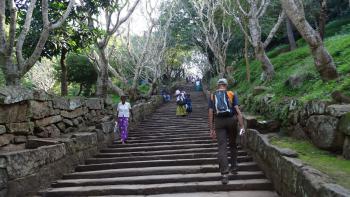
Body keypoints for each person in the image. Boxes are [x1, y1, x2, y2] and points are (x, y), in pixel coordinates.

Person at [208, 78, 245, 185]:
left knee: (222, 147)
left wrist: (211, 129)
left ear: (218, 85)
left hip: (219, 122)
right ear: (226, 85)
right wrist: (242, 126)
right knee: (233, 144)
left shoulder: (212, 95)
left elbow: (210, 113)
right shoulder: (231, 94)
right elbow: (237, 111)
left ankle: (224, 174)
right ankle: (234, 167)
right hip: (231, 121)